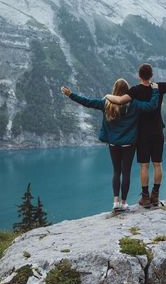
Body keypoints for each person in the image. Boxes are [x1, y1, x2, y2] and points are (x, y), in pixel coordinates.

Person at [105, 56, 166, 208]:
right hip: (158, 131)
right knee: (157, 164)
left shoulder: (134, 91)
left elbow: (118, 101)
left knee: (144, 166)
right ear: (151, 75)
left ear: (139, 75)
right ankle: (155, 196)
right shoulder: (158, 87)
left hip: (142, 134)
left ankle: (145, 198)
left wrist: (107, 96)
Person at [61, 79, 159, 214]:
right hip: (129, 144)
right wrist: (155, 91)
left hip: (113, 144)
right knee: (126, 173)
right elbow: (151, 106)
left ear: (115, 89)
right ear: (127, 90)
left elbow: (87, 102)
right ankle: (124, 203)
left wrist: (70, 94)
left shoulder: (106, 104)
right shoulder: (134, 104)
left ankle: (115, 202)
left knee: (116, 172)